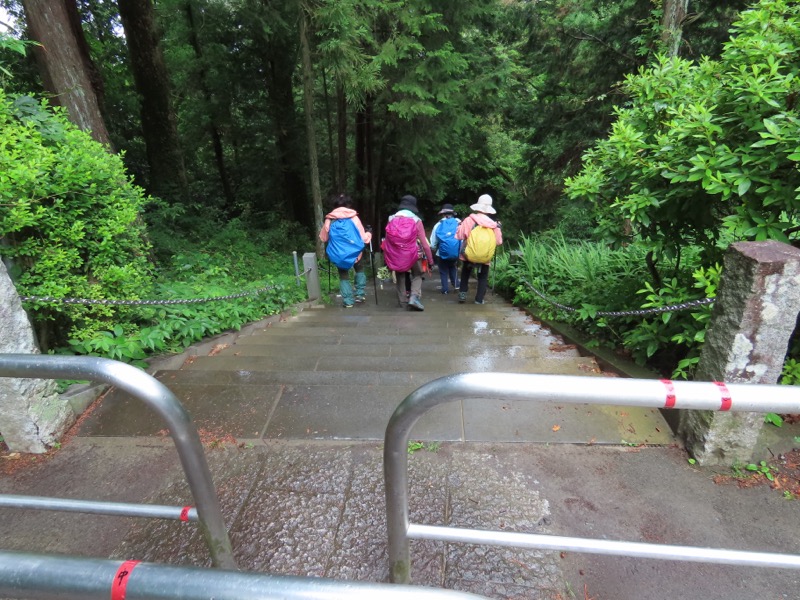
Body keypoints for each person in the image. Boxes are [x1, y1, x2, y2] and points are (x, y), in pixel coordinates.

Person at [319, 194, 372, 308]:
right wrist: (369, 233)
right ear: (348, 204)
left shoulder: (330, 219)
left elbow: (324, 238)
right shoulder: (353, 217)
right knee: (359, 269)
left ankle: (348, 301)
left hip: (339, 254)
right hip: (355, 253)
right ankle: (360, 294)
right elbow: (363, 238)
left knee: (343, 275)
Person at [382, 195, 434, 311]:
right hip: (414, 254)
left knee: (400, 274)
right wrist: (430, 260)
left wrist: (387, 257)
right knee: (418, 274)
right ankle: (414, 297)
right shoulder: (416, 220)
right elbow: (425, 243)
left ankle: (402, 302)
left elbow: (387, 241)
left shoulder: (391, 219)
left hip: (396, 254)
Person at [456, 194, 502, 305]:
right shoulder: (493, 224)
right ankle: (479, 299)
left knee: (465, 273)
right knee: (483, 277)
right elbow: (498, 242)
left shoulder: (469, 220)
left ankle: (462, 294)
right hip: (485, 256)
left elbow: (459, 236)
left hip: (468, 255)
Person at [429, 203, 461, 294]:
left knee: (443, 270)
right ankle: (456, 285)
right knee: (453, 267)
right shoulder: (458, 222)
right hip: (455, 251)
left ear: (443, 213)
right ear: (452, 213)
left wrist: (434, 249)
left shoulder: (438, 224)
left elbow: (433, 241)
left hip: (442, 252)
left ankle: (445, 289)